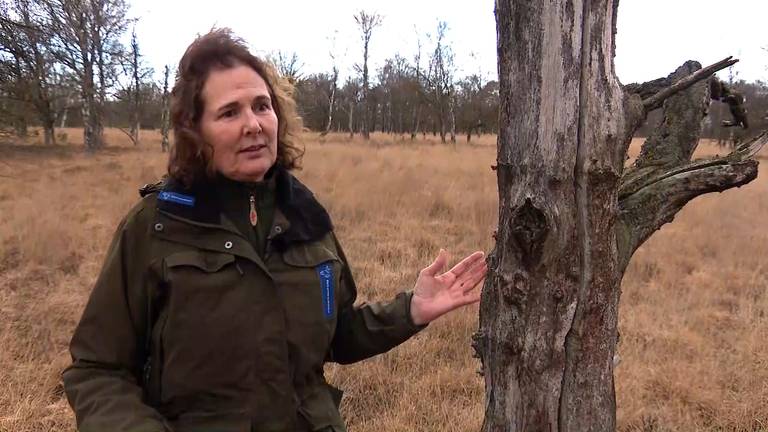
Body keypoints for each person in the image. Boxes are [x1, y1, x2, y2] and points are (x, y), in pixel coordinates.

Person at [62, 29, 487, 432]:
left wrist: (411, 310)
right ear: (194, 131)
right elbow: (97, 370)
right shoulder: (157, 226)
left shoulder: (305, 216)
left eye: (262, 106)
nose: (254, 124)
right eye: (229, 112)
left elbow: (337, 334)